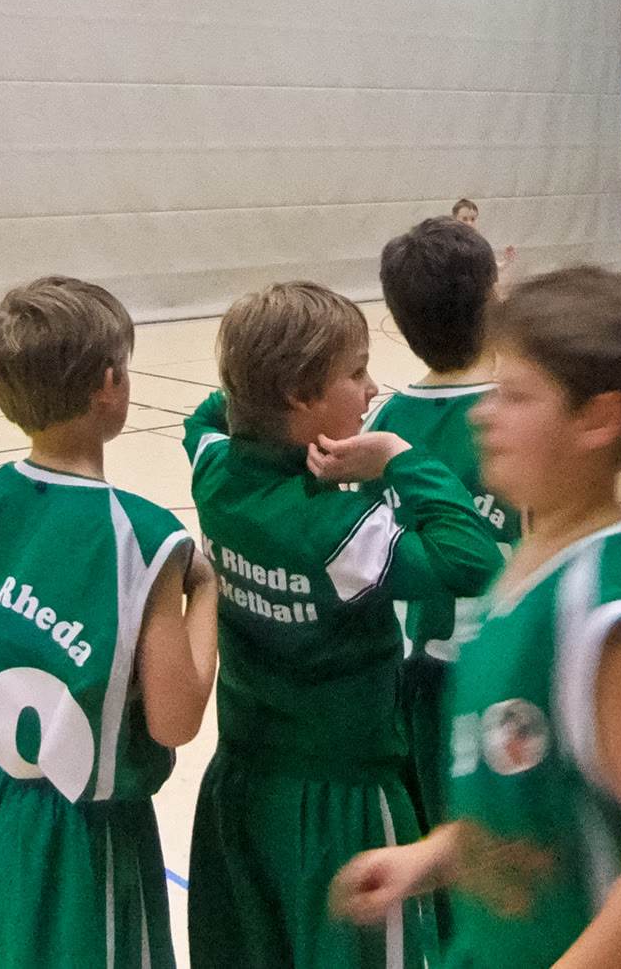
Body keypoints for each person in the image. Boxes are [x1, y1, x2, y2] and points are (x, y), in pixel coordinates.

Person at [330, 266, 621, 968]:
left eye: (514, 396)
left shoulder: (614, 610)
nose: (483, 413)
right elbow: (540, 795)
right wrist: (434, 855)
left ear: (598, 419)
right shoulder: (520, 570)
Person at [181, 281, 503, 969]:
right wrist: (398, 456)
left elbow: (203, 418)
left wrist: (257, 394)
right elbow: (471, 561)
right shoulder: (339, 531)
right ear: (299, 393)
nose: (371, 388)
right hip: (345, 799)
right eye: (355, 373)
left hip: (241, 780)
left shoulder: (214, 474)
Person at [0, 275, 218, 969]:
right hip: (78, 832)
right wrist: (207, 592)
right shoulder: (142, 535)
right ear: (110, 384)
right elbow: (175, 721)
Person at [371, 217, 521, 932]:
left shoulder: (383, 421)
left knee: (437, 869)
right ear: (491, 302)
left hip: (411, 683)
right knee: (507, 868)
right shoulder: (513, 418)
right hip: (500, 684)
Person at [451, 200, 515, 277]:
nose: (469, 223)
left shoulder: (478, 244)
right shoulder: (450, 242)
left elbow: (492, 268)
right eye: (464, 219)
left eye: (472, 219)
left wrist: (507, 262)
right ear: (454, 220)